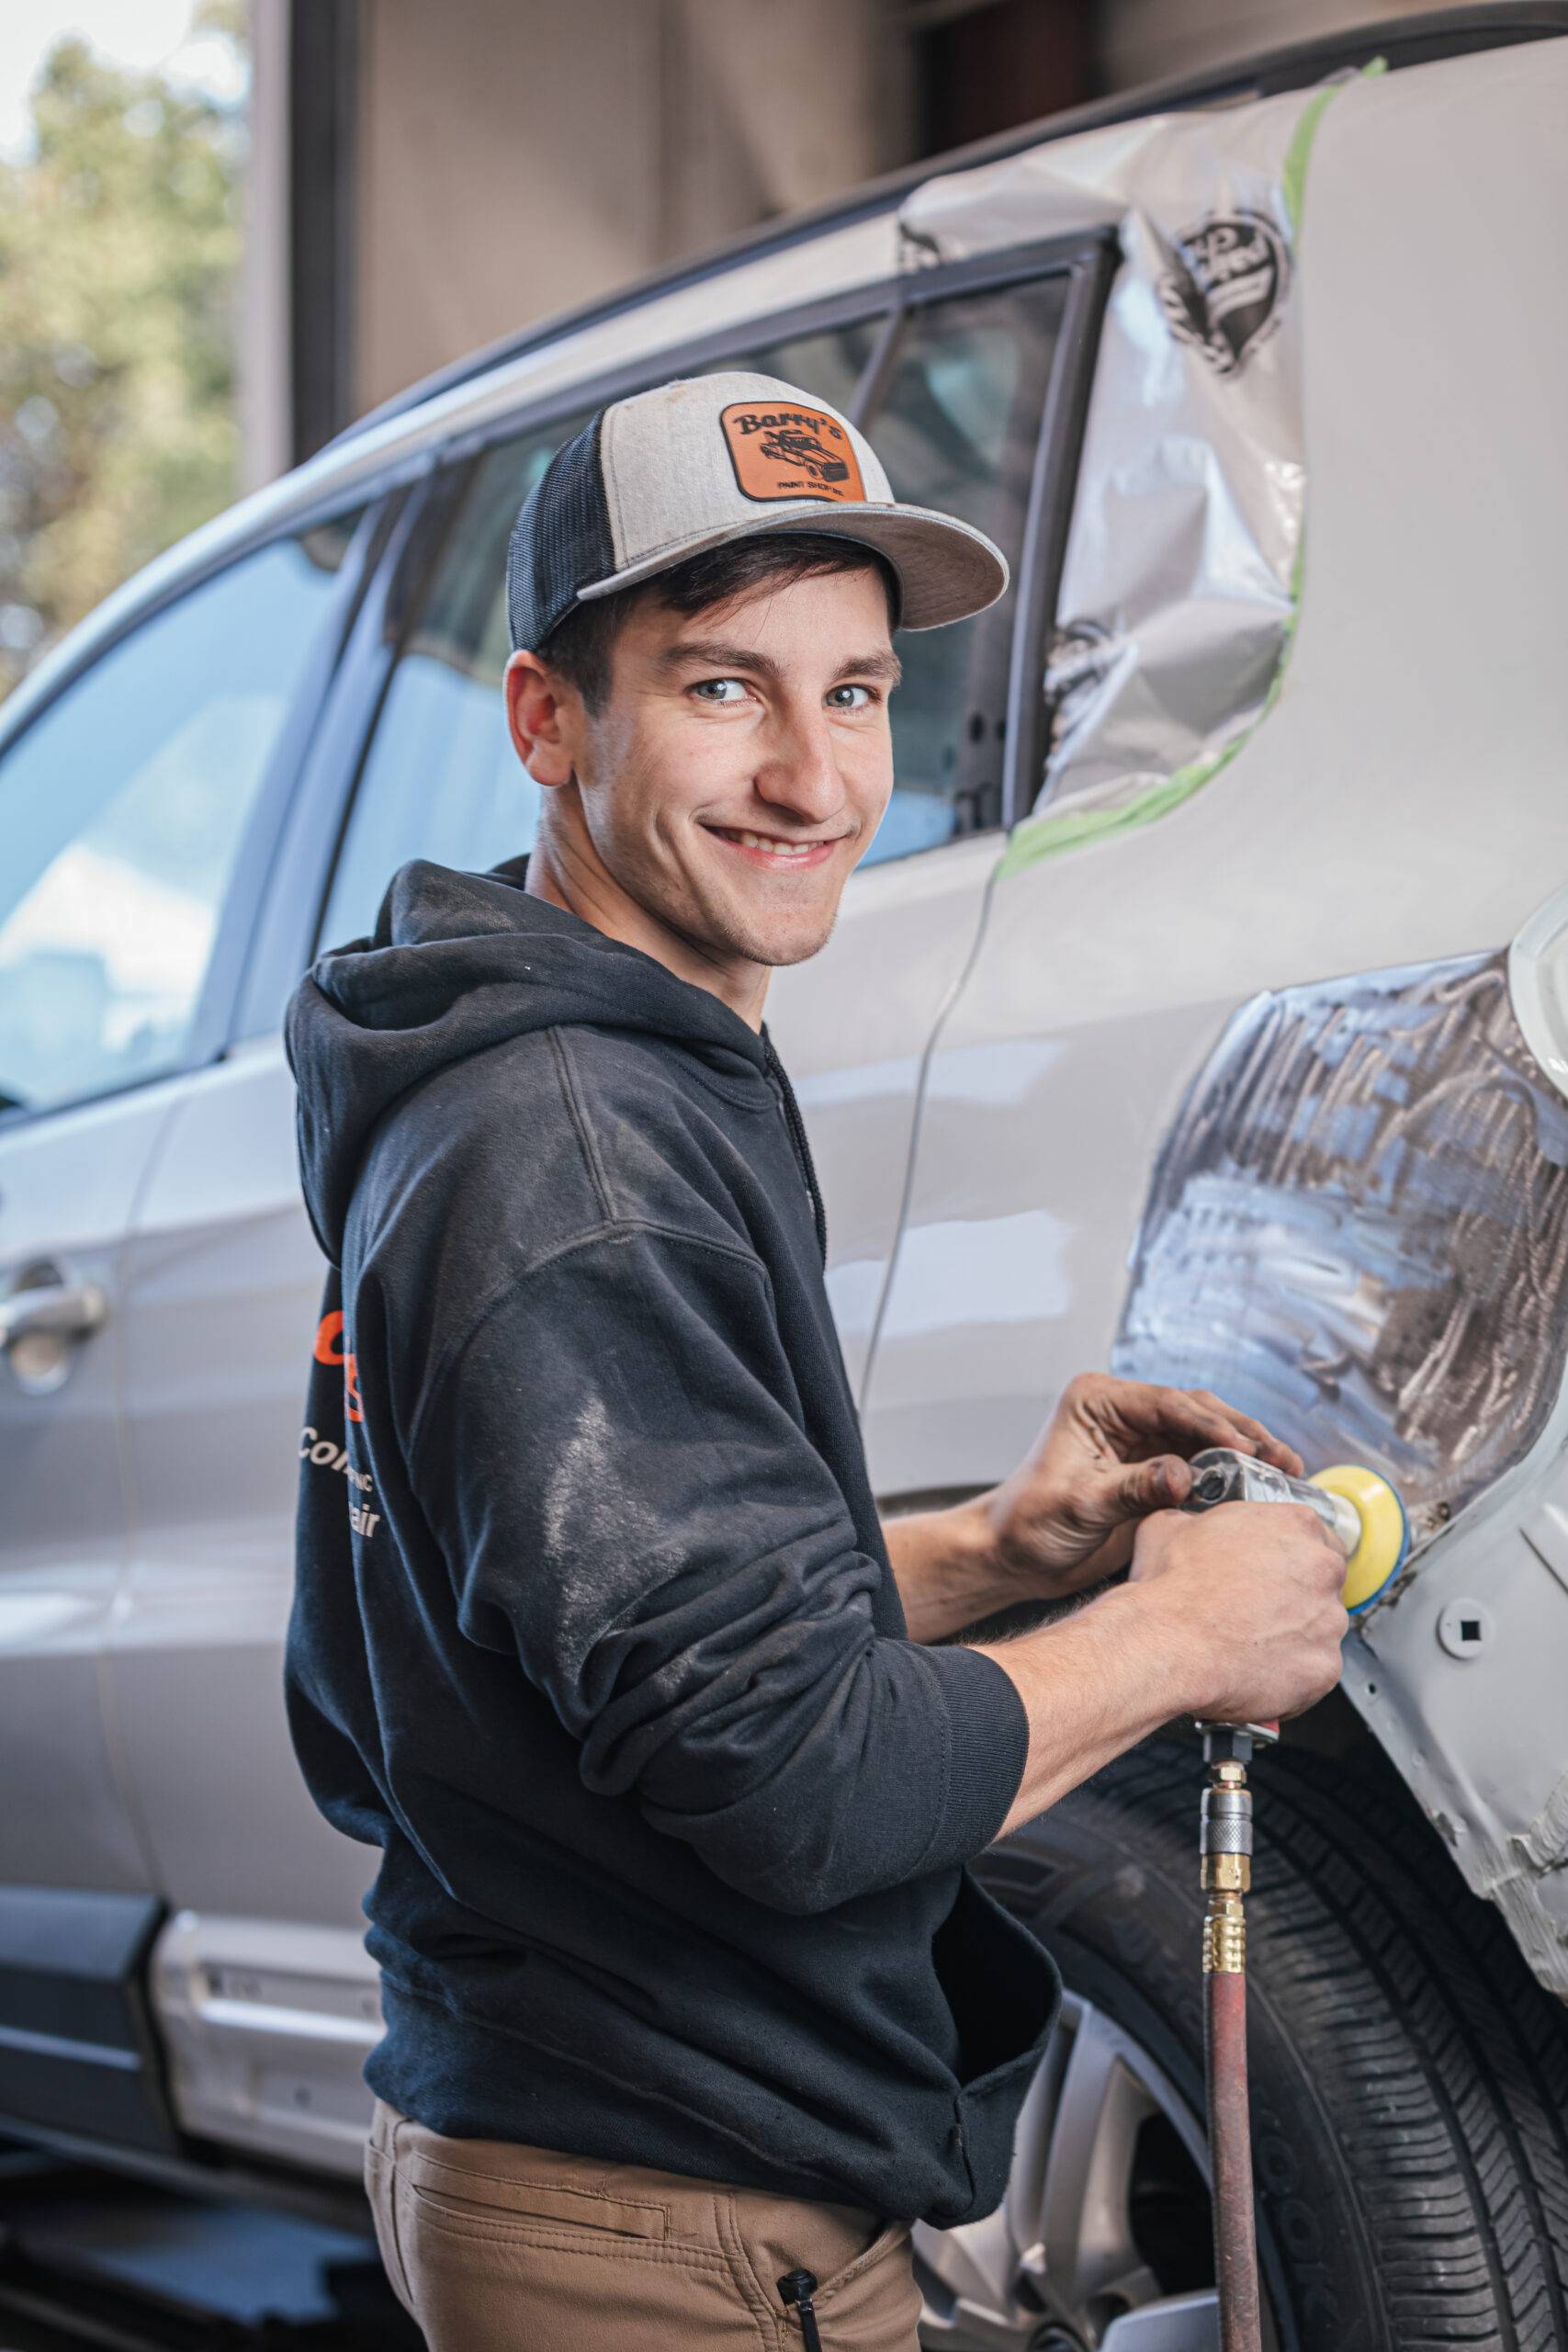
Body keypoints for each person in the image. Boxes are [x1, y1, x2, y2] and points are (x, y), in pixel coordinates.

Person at [283, 373, 1347, 2351]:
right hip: (661, 2212)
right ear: (545, 719)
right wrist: (1185, 1641)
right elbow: (787, 1779)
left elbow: (590, 1638)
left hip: (599, 2143)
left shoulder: (570, 1072)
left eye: (851, 692)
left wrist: (991, 1550)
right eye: (719, 688)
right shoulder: (574, 1150)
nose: (810, 778)